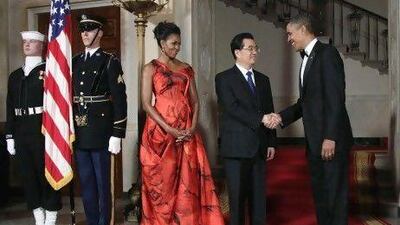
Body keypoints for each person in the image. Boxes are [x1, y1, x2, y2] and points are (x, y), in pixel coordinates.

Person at [268, 14, 354, 225]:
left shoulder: (327, 54)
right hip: (315, 143)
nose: (288, 39)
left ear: (303, 29)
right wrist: (280, 117)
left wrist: (330, 137)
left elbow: (336, 99)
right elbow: (305, 103)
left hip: (329, 142)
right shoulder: (307, 59)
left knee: (335, 199)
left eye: (290, 33)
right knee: (322, 199)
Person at [140, 21, 225, 225]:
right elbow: (146, 104)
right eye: (173, 43)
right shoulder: (150, 68)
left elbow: (195, 101)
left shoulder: (186, 69)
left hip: (186, 133)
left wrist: (192, 127)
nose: (177, 47)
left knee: (188, 184)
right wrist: (169, 129)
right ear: (162, 43)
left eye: (179, 44)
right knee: (162, 185)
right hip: (159, 134)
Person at [215, 32, 277, 225]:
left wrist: (271, 142)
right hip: (236, 149)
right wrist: (261, 118)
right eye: (249, 48)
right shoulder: (224, 79)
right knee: (237, 202)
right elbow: (232, 108)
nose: (254, 52)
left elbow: (269, 110)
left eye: (255, 48)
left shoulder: (263, 80)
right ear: (237, 52)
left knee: (259, 202)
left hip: (259, 148)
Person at [72, 14, 127, 225]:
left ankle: (105, 222)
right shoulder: (75, 61)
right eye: (82, 29)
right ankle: (93, 221)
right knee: (86, 183)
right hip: (80, 130)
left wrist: (117, 133)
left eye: (90, 28)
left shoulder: (110, 61)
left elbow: (120, 99)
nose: (85, 33)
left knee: (103, 183)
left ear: (100, 33)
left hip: (102, 131)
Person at [5, 31, 61, 225]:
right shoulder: (15, 75)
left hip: (42, 128)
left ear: (41, 45)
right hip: (21, 129)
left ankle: (51, 215)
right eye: (25, 42)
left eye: (31, 41)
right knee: (28, 175)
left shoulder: (48, 71)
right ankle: (38, 215)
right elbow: (10, 106)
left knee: (46, 173)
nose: (27, 44)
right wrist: (10, 136)